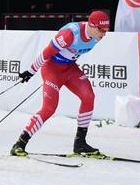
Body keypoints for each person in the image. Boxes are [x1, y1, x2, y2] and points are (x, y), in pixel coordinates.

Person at [10, 10, 110, 157]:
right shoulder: (70, 34)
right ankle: (20, 143)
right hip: (52, 70)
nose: (104, 34)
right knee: (49, 108)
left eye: (107, 30)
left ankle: (80, 143)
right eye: (102, 30)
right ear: (92, 26)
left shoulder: (96, 36)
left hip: (69, 69)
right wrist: (31, 71)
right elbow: (46, 53)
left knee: (89, 96)